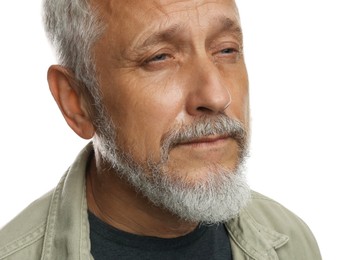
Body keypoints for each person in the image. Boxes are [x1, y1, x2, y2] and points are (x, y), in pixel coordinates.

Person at [0, 0, 322, 259]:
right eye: (160, 57)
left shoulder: (292, 244)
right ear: (77, 102)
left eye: (226, 50)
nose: (216, 95)